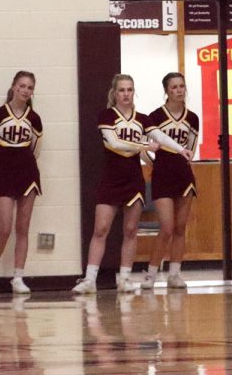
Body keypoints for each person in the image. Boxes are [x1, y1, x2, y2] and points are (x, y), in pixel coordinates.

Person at [72, 74, 191, 295]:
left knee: (130, 230)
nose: (126, 94)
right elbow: (114, 143)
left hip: (133, 179)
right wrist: (144, 145)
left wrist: (179, 148)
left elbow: (160, 136)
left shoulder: (143, 119)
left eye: (129, 90)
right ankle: (90, 279)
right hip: (111, 179)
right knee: (101, 229)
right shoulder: (107, 116)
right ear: (114, 93)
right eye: (122, 90)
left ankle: (125, 278)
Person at [0, 70, 44, 295]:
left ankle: (18, 277)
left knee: (23, 229)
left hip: (27, 173)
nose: (25, 90)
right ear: (14, 87)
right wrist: (5, 164)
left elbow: (36, 149)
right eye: (22, 86)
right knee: (5, 228)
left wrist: (23, 163)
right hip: (4, 173)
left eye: (30, 87)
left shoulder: (34, 118)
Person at [140, 72, 200, 289]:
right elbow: (143, 148)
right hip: (162, 174)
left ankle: (175, 273)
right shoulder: (154, 116)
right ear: (166, 90)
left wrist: (188, 166)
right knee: (166, 227)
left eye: (182, 86)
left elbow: (191, 148)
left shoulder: (192, 118)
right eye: (174, 87)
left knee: (180, 227)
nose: (179, 90)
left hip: (183, 175)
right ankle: (151, 273)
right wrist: (153, 164)